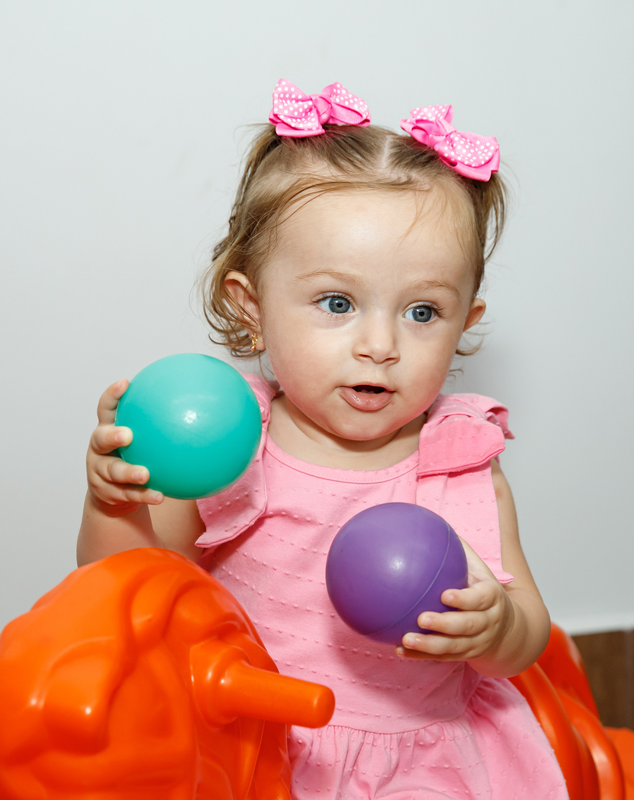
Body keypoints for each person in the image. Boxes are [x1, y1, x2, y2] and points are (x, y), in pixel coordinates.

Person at [76, 80, 567, 800]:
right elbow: (129, 589)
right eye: (337, 303)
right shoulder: (229, 444)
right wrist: (116, 500)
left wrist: (495, 629)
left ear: (466, 321)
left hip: (412, 762)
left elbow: (527, 636)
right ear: (253, 308)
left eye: (423, 312)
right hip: (245, 747)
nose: (380, 345)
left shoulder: (455, 465)